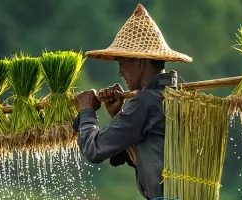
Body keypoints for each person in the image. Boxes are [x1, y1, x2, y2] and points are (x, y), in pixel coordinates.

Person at [71, 3, 193, 200]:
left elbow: (94, 150)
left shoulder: (146, 102)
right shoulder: (173, 97)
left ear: (140, 62)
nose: (120, 72)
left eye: (122, 64)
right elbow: (143, 155)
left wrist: (86, 111)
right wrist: (117, 114)